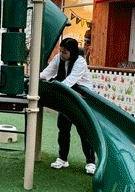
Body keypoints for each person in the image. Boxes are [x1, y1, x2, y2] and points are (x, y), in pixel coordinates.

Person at [40, 37, 96, 175]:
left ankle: (90, 162)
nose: (62, 54)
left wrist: (56, 87)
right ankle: (62, 158)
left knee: (83, 130)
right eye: (61, 51)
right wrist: (36, 78)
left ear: (72, 51)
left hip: (81, 98)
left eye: (65, 52)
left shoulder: (80, 62)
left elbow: (70, 81)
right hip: (67, 97)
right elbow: (47, 72)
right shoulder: (59, 59)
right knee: (63, 127)